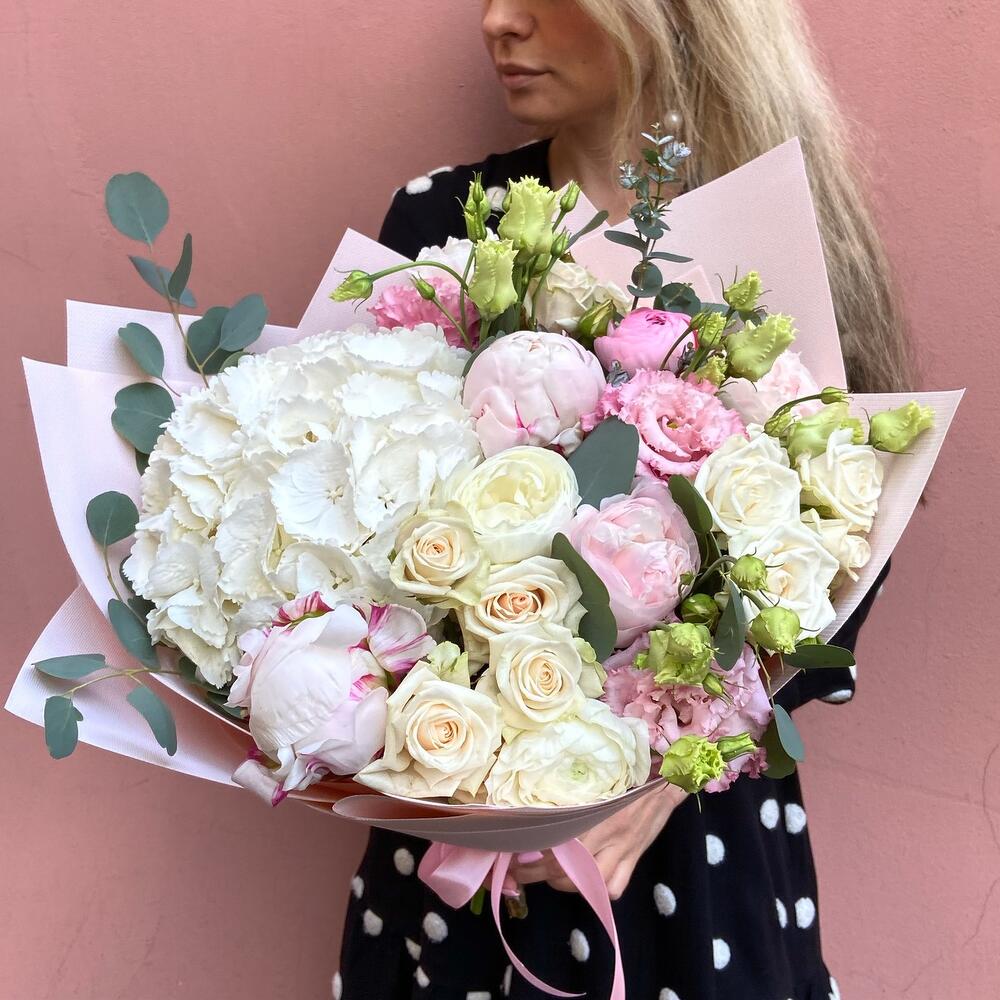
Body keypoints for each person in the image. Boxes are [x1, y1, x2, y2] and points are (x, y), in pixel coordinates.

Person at [337, 2, 906, 997]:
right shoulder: (444, 225)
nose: (496, 21)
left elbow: (844, 544)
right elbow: (356, 518)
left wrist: (672, 770)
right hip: (466, 829)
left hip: (695, 843)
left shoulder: (777, 232)